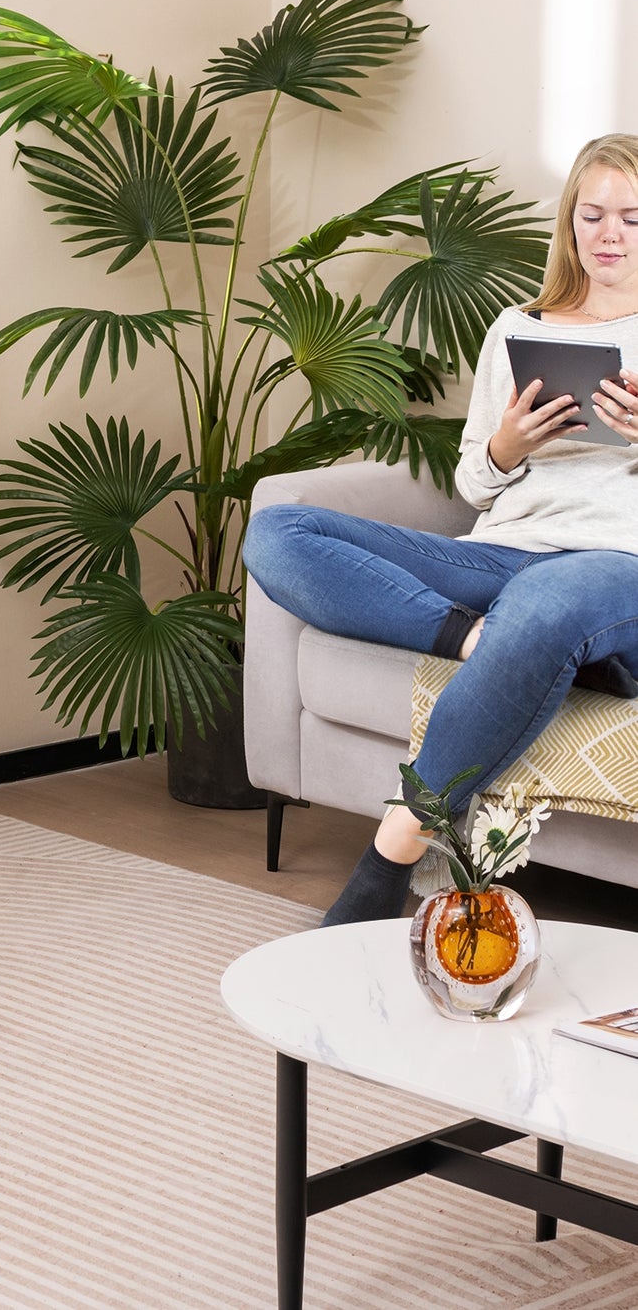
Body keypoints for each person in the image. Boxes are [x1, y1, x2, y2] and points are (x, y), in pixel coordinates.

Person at [243, 133, 638, 925]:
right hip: (502, 550)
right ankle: (480, 641)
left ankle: (393, 845)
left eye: (630, 217)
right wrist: (507, 445)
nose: (608, 234)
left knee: (548, 601)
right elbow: (471, 481)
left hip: (614, 561)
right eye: (590, 214)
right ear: (568, 222)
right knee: (277, 534)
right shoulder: (518, 325)